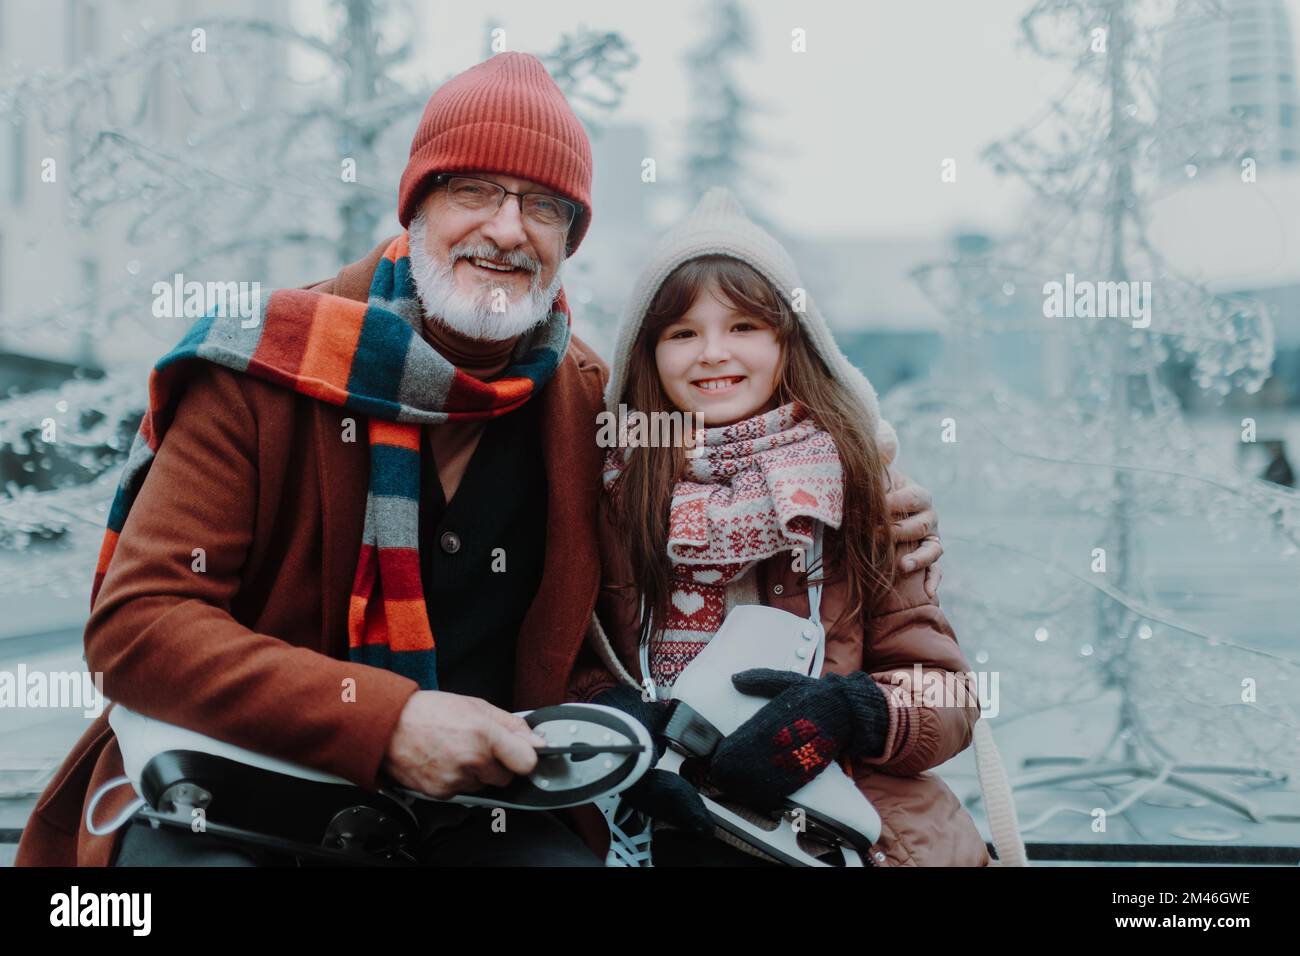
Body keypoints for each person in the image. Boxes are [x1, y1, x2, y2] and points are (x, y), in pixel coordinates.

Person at [17, 53, 945, 868]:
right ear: (416, 206)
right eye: (473, 192)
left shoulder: (589, 402)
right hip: (239, 792)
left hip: (490, 808)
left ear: (568, 243)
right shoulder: (267, 366)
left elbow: (732, 444)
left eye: (544, 207)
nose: (507, 229)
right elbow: (140, 624)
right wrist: (386, 724)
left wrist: (880, 499)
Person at [583, 188, 990, 866]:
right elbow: (574, 666)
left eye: (744, 326)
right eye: (682, 332)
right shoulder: (614, 491)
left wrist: (846, 714)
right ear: (648, 356)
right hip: (659, 827)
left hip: (834, 826)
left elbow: (947, 694)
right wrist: (630, 727)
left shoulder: (859, 484)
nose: (713, 352)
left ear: (789, 340)